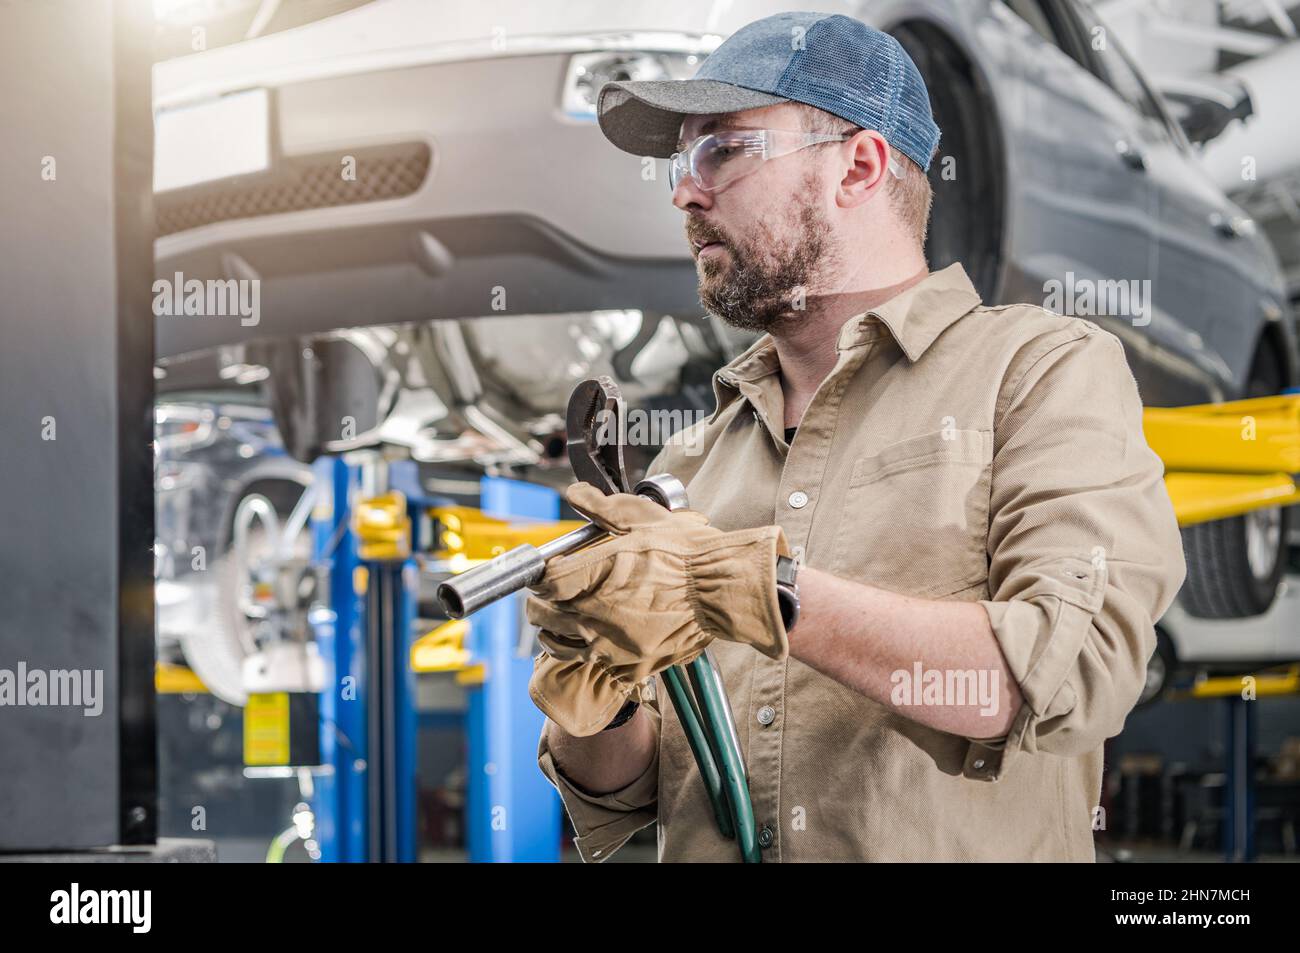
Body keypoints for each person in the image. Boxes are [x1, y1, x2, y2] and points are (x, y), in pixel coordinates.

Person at [527, 11, 1187, 862]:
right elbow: (637, 798)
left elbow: (1067, 673)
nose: (686, 192)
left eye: (722, 150)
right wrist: (599, 696)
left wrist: (757, 586)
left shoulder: (1039, 373)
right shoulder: (689, 462)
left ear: (860, 166)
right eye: (678, 164)